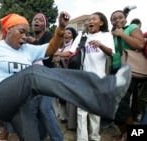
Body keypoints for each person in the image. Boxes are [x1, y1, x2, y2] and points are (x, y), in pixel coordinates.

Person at [0, 11, 132, 141]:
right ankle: (102, 91)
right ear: (8, 30)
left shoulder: (27, 49)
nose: (25, 37)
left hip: (21, 103)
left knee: (32, 137)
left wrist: (61, 28)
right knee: (32, 73)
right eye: (21, 31)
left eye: (27, 33)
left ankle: (102, 99)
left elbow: (49, 50)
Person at [71, 12, 115, 141]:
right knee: (81, 111)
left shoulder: (106, 35)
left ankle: (95, 137)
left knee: (95, 111)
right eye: (88, 20)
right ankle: (82, 138)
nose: (90, 21)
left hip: (98, 79)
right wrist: (57, 53)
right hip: (82, 78)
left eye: (93, 19)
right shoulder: (81, 36)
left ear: (101, 23)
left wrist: (100, 45)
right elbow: (72, 52)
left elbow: (111, 53)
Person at [110, 10, 145, 141]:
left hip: (130, 69)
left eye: (120, 17)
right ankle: (123, 133)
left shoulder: (132, 28)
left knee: (122, 101)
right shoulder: (111, 34)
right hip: (115, 70)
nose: (117, 20)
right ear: (111, 22)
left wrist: (121, 34)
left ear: (125, 19)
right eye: (114, 19)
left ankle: (134, 136)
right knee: (115, 103)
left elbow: (140, 44)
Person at [27, 12, 63, 141]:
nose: (36, 22)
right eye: (34, 20)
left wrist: (34, 42)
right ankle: (41, 135)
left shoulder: (48, 36)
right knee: (37, 108)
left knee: (44, 108)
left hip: (49, 76)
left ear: (44, 25)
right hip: (36, 77)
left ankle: (58, 138)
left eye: (39, 20)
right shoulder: (28, 39)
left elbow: (48, 52)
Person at [52, 26, 78, 130]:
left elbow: (71, 55)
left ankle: (71, 120)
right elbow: (54, 57)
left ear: (73, 35)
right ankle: (63, 117)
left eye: (69, 33)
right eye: (65, 33)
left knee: (69, 98)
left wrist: (59, 54)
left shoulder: (75, 45)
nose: (66, 35)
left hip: (71, 75)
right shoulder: (61, 46)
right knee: (61, 97)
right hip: (60, 75)